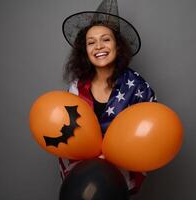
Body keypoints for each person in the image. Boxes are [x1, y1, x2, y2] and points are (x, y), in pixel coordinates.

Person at [59, 0, 157, 196]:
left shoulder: (138, 87)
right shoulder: (76, 88)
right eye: (91, 42)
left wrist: (111, 157)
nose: (99, 46)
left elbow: (149, 136)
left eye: (106, 39)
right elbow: (68, 137)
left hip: (117, 178)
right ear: (85, 51)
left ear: (118, 45)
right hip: (82, 179)